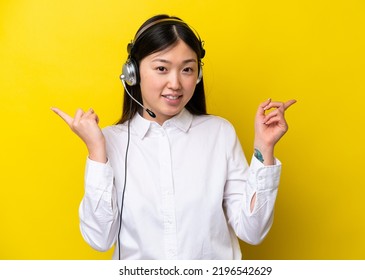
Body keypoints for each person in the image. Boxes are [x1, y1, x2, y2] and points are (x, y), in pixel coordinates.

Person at [51, 14, 296, 260]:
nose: (175, 83)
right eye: (161, 68)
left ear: (198, 75)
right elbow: (99, 239)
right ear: (132, 73)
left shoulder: (219, 133)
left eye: (187, 69)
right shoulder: (109, 142)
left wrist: (264, 147)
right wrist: (96, 151)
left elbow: (252, 231)